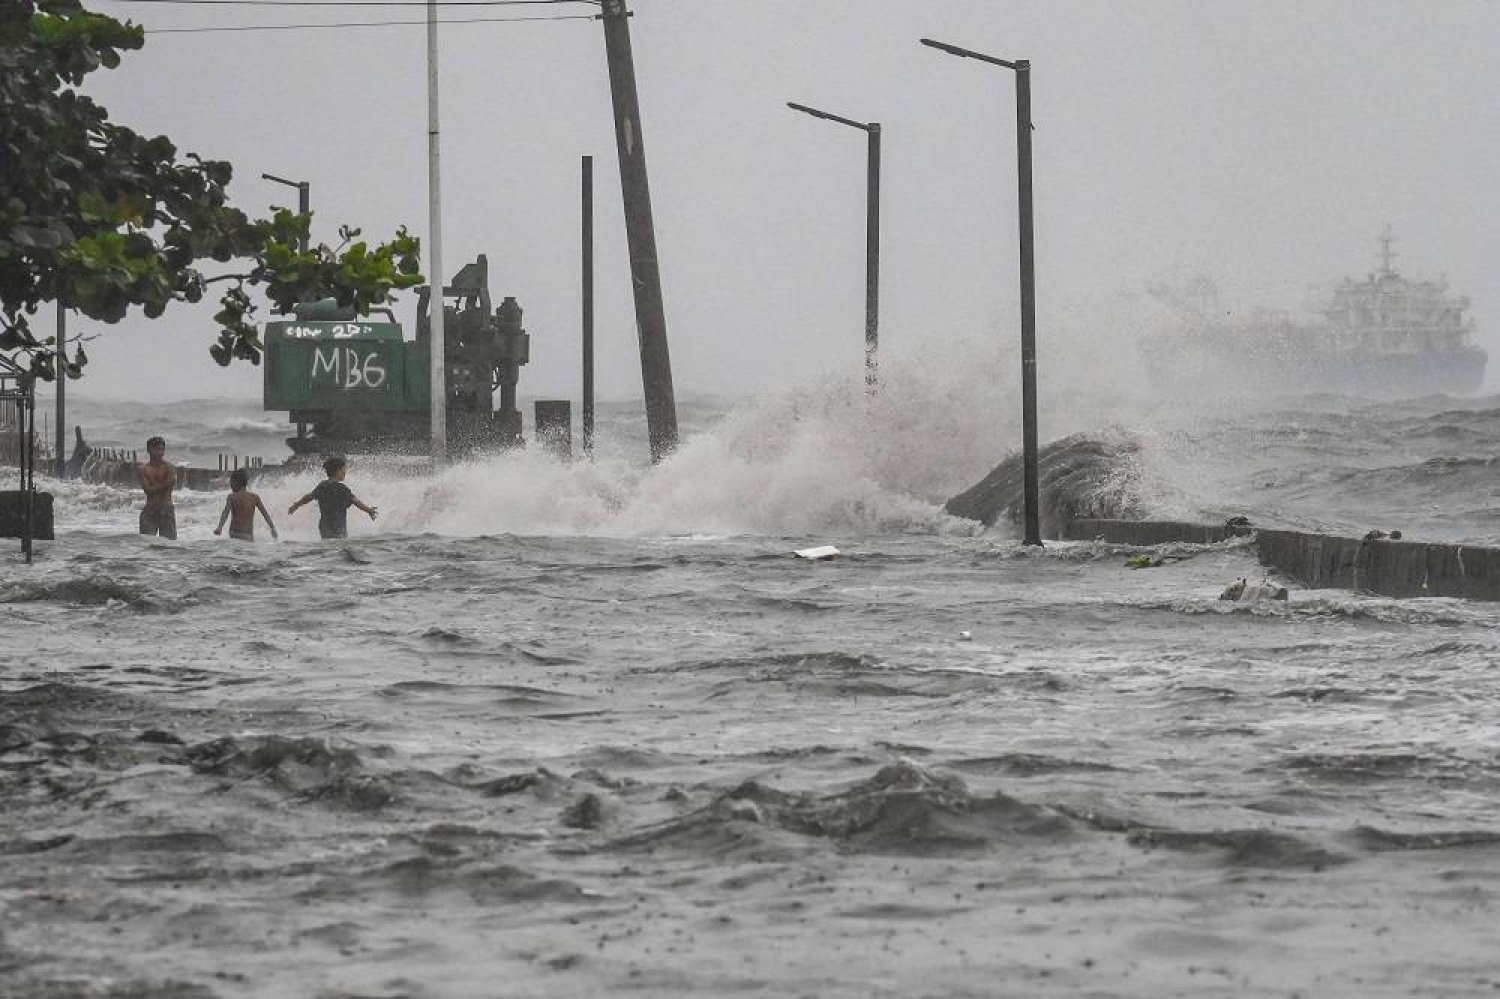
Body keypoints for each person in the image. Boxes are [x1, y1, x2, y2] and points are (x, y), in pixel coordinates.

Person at [287, 455, 377, 539]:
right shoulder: (342, 489)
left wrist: (296, 505)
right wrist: (369, 510)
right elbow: (356, 501)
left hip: (324, 527)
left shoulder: (322, 486)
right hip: (338, 527)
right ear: (337, 471)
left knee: (328, 548)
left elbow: (308, 497)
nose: (345, 472)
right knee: (338, 546)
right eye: (343, 469)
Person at [214, 467, 278, 542]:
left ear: (237, 482)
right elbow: (265, 514)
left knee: (233, 553)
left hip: (234, 535)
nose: (230, 485)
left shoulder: (232, 497)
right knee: (248, 553)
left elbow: (225, 512)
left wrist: (220, 527)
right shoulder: (254, 497)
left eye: (231, 482)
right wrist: (272, 528)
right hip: (248, 537)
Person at [139, 435, 177, 540]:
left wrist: (155, 487)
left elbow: (168, 488)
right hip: (150, 511)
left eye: (161, 449)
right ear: (149, 450)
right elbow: (148, 490)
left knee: (169, 546)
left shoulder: (169, 467)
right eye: (156, 449)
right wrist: (165, 484)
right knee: (147, 543)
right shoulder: (144, 469)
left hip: (166, 510)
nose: (159, 452)